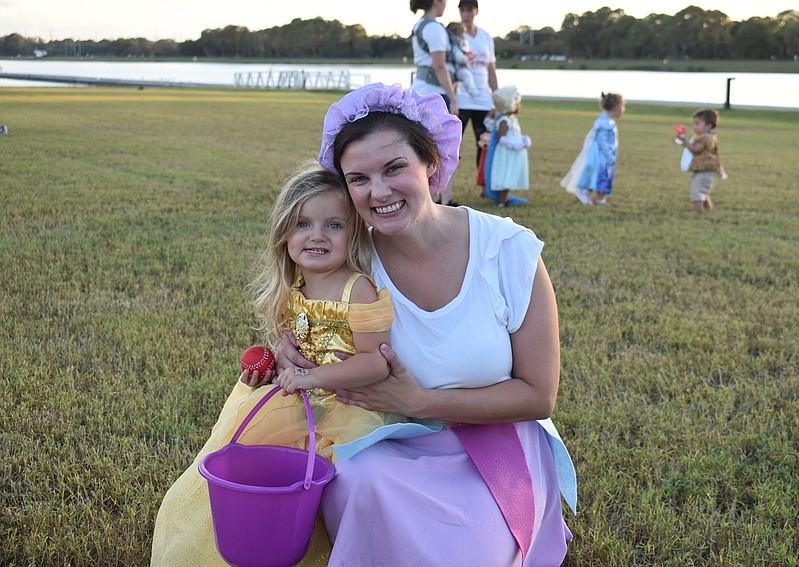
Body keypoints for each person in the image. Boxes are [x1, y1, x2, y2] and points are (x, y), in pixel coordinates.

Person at [272, 82, 576, 566]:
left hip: (492, 443)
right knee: (356, 479)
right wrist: (287, 349)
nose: (379, 192)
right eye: (358, 179)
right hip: (385, 442)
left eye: (395, 168)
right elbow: (304, 316)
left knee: (463, 552)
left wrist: (419, 400)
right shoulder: (349, 259)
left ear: (431, 163)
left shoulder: (508, 251)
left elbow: (539, 395)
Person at [150, 163, 405, 566]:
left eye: (334, 225)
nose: (317, 235)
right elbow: (293, 348)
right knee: (255, 460)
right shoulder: (294, 291)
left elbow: (376, 363)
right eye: (303, 223)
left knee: (325, 483)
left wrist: (311, 375)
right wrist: (278, 363)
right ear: (285, 233)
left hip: (350, 409)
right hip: (297, 404)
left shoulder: (359, 289)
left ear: (353, 233)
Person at [411, 0, 459, 206]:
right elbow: (440, 66)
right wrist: (454, 98)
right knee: (444, 148)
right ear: (437, 2)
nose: (446, 5)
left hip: (419, 90)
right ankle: (443, 200)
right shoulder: (433, 28)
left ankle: (434, 198)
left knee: (425, 147)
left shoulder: (420, 25)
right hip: (435, 94)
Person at [456, 0, 499, 176]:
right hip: (461, 98)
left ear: (476, 12)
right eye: (463, 10)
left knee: (485, 143)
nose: (466, 14)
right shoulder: (454, 35)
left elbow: (491, 69)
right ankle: (444, 192)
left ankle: (485, 184)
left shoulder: (485, 37)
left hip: (483, 100)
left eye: (469, 10)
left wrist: (496, 98)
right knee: (453, 144)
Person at [561, 92, 626, 205]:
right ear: (616, 107)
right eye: (622, 106)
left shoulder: (608, 121)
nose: (623, 109)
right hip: (601, 156)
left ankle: (601, 198)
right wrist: (609, 156)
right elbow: (602, 141)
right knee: (599, 175)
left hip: (606, 155)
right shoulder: (604, 122)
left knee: (604, 176)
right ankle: (584, 191)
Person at [487, 85, 531, 208]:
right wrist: (516, 144)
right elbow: (501, 137)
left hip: (513, 154)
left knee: (511, 174)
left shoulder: (513, 119)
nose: (519, 106)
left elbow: (515, 134)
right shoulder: (504, 120)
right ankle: (502, 201)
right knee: (505, 175)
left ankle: (505, 199)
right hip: (507, 153)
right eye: (517, 103)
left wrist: (523, 140)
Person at [675, 108, 725, 213]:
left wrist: (685, 142)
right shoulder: (708, 137)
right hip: (704, 171)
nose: (694, 126)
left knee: (697, 192)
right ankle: (709, 210)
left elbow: (695, 150)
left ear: (708, 125)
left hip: (705, 171)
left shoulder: (706, 138)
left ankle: (699, 213)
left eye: (697, 123)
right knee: (703, 193)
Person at [445, 21, 480, 98]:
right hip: (456, 68)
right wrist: (467, 58)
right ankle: (473, 91)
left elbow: (463, 51)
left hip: (455, 68)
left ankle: (457, 92)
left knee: (459, 81)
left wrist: (467, 54)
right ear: (457, 34)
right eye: (463, 33)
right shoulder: (455, 45)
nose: (465, 36)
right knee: (467, 75)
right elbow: (459, 58)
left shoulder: (457, 44)